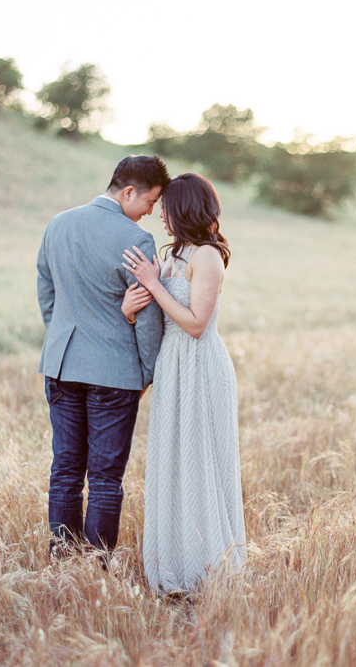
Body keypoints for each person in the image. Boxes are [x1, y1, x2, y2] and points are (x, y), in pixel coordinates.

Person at [37, 155, 170, 559]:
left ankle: (63, 561)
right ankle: (94, 571)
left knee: (65, 471)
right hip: (114, 372)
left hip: (62, 364)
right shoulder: (136, 240)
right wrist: (148, 371)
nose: (150, 212)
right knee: (106, 478)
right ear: (129, 192)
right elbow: (147, 316)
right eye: (150, 201)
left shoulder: (57, 224)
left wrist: (63, 337)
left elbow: (47, 294)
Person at [121, 173, 246, 593]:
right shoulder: (176, 253)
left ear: (186, 208)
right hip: (172, 365)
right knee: (173, 462)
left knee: (202, 460)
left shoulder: (207, 256)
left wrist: (154, 284)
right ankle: (174, 563)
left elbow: (195, 324)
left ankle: (208, 568)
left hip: (200, 364)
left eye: (167, 207)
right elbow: (161, 313)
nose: (160, 215)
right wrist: (132, 306)